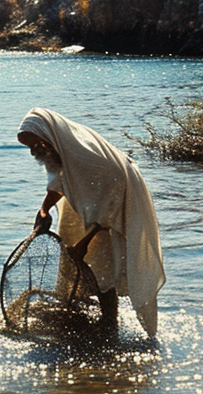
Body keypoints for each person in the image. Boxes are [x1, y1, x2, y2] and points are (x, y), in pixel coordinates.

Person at [16, 108, 165, 338]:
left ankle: (108, 327)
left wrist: (85, 242)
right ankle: (82, 314)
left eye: (36, 144)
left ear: (48, 136)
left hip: (117, 202)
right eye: (29, 147)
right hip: (93, 200)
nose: (33, 151)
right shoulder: (60, 149)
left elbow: (111, 202)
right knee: (73, 256)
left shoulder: (88, 156)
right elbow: (61, 180)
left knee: (103, 264)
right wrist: (44, 209)